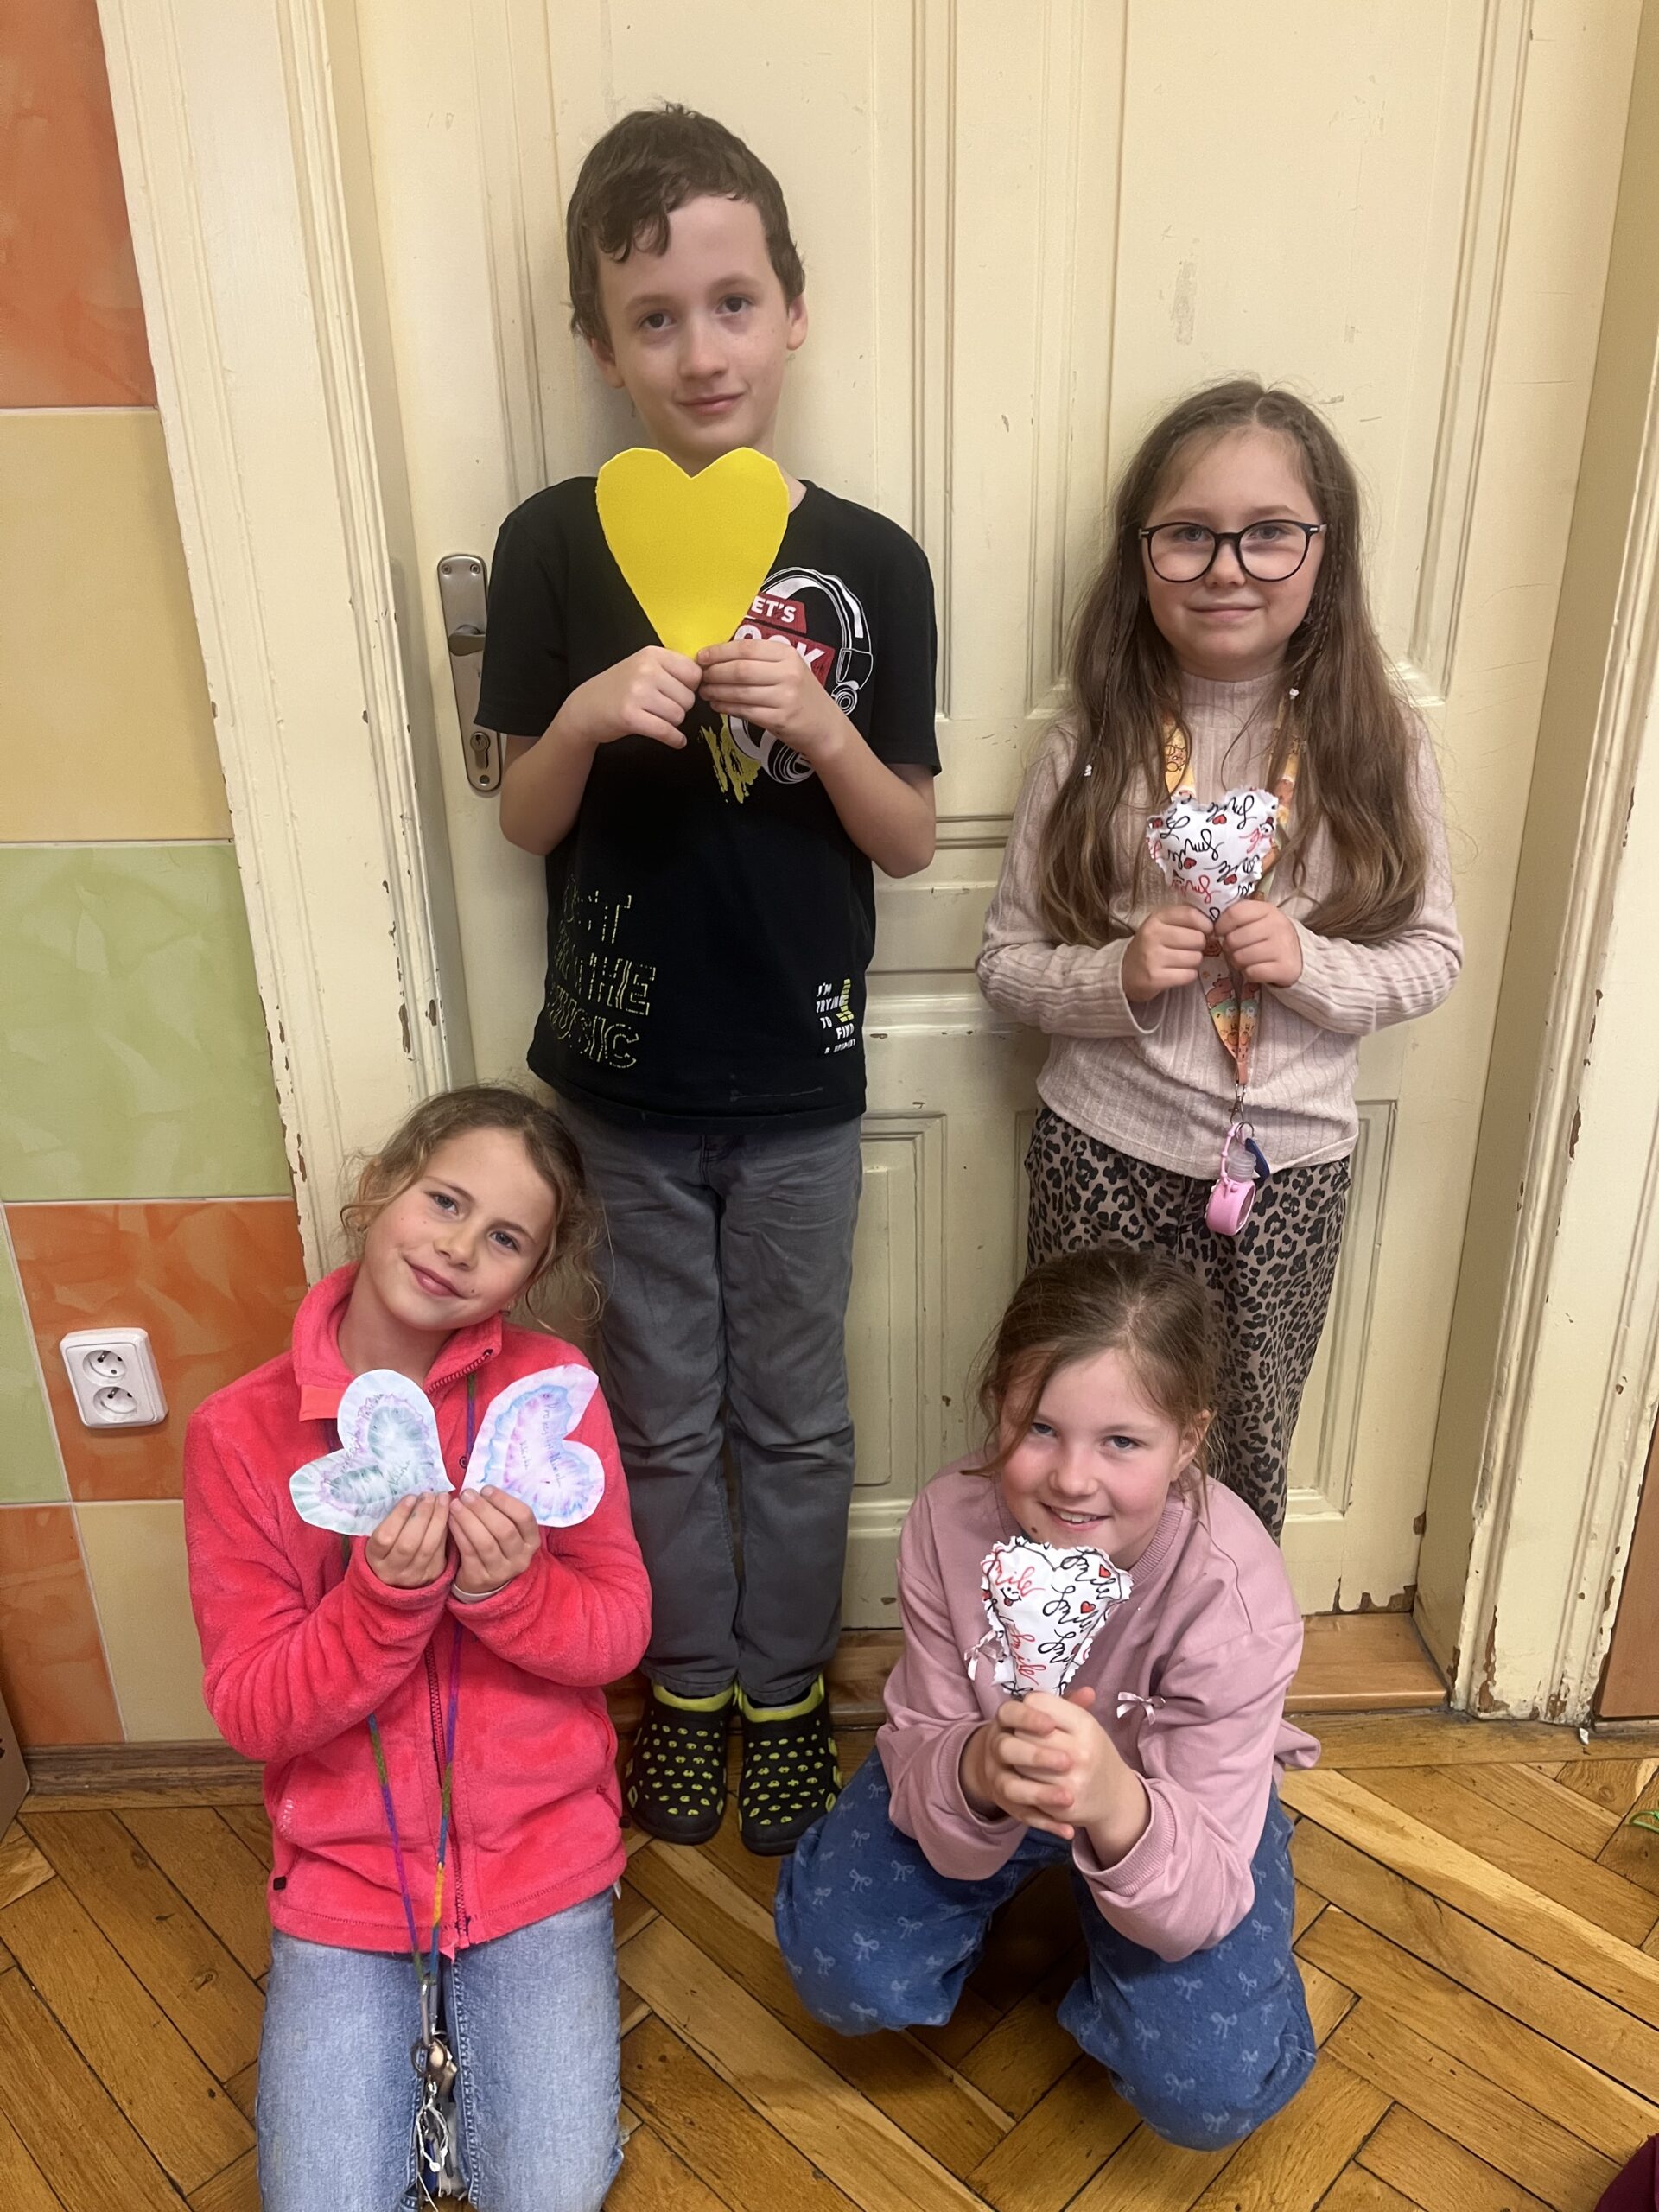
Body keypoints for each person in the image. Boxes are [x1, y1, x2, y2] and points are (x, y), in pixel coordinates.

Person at [478, 105, 939, 1853]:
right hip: (621, 1087)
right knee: (661, 1413)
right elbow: (525, 817)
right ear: (602, 347)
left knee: (796, 1418)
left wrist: (819, 723)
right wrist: (588, 715)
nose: (702, 349)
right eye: (655, 318)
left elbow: (908, 838)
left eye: (734, 304)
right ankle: (682, 1682)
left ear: (794, 311)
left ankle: (784, 1685)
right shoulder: (552, 541)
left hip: (803, 1085)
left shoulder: (872, 559)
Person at [977, 380, 1461, 1535]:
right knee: (1078, 1457)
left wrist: (1310, 963)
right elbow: (1005, 964)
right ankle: (1069, 1648)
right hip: (1102, 1153)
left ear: (1326, 551)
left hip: (1287, 1174)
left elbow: (1434, 955)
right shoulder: (1090, 745)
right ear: (1140, 554)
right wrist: (1117, 976)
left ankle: (1219, 1651)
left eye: (1270, 533)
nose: (1228, 567)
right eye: (1189, 534)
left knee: (1239, 1457)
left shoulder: (1376, 743)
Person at [182, 1086, 651, 2212]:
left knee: (550, 2194)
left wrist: (513, 1590)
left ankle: (461, 2117)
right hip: (347, 1881)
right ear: (378, 1187)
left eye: (505, 1238)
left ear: (529, 1275)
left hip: (540, 1866)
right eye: (445, 1201)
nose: (458, 1247)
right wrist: (380, 1605)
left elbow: (618, 1633)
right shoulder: (238, 1434)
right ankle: (432, 2113)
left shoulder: (547, 1397)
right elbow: (251, 1706)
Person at [776, 1244, 1319, 2150]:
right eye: (1038, 1428)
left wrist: (1114, 1804)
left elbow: (1197, 1898)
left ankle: (1118, 1963)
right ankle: (1001, 1900)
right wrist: (976, 1769)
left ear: (1187, 1442)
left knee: (1211, 2086)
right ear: (998, 1406)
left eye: (1122, 1442)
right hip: (976, 1768)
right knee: (843, 1968)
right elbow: (931, 1735)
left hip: (1170, 1807)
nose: (1072, 1478)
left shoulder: (1233, 1595)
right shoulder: (948, 1525)